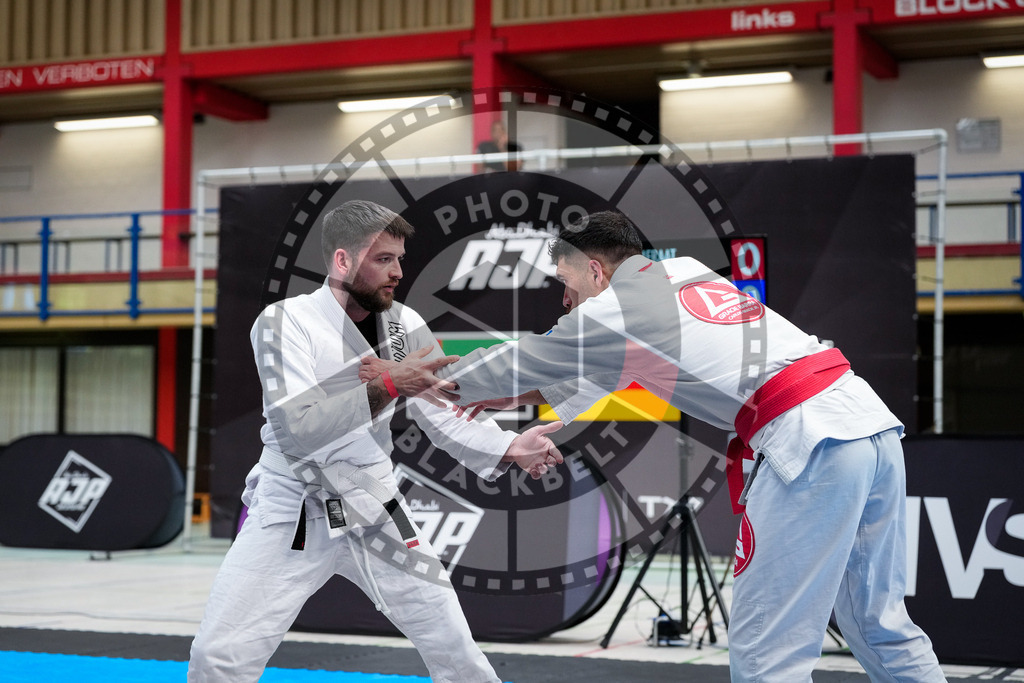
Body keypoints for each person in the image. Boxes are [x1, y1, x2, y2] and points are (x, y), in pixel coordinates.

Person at [406, 210, 946, 682]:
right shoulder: (683, 274)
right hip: (866, 424)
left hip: (809, 440)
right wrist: (513, 396)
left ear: (595, 271)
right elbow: (600, 370)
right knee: (876, 621)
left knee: (766, 651)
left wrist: (427, 382)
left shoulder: (613, 309)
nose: (565, 299)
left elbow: (531, 357)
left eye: (565, 282)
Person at [187, 200, 563, 683]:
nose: (397, 272)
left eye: (400, 259)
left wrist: (510, 446)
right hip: (294, 509)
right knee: (219, 655)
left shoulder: (405, 325)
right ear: (343, 261)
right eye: (383, 259)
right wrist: (388, 384)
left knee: (455, 649)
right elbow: (297, 426)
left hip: (375, 505)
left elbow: (440, 408)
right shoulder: (285, 323)